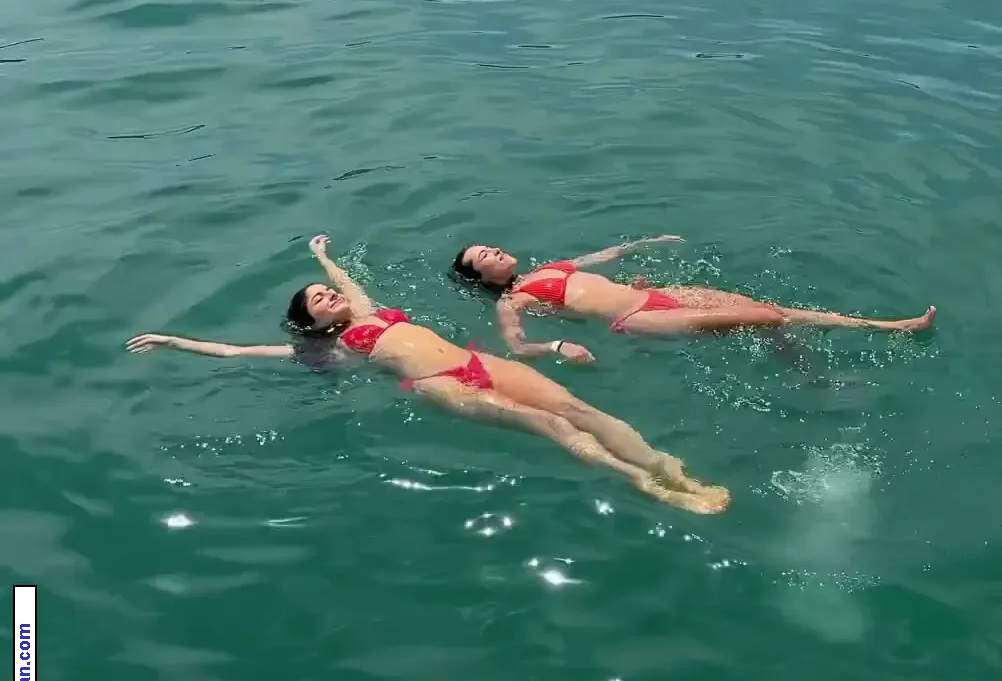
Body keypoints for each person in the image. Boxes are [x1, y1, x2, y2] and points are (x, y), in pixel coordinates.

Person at [127, 235, 729, 515]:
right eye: (317, 300)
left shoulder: (367, 312)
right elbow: (234, 353)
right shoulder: (330, 350)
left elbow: (348, 282)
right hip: (445, 385)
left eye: (325, 292)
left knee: (580, 410)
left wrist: (322, 257)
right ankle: (644, 483)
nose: (329, 297)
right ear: (311, 321)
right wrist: (174, 340)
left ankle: (668, 467)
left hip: (478, 362)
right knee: (553, 426)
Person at [449, 236, 936, 360]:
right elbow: (516, 347)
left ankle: (821, 363)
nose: (493, 250)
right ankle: (890, 330)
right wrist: (558, 347)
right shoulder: (512, 302)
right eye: (482, 256)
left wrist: (645, 244)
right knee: (767, 318)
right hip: (638, 319)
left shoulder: (549, 267)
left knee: (764, 310)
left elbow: (603, 256)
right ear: (481, 277)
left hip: (655, 295)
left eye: (489, 246)